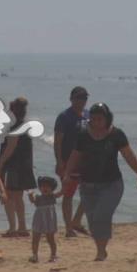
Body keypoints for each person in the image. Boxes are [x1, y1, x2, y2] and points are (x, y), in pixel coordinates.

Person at [64, 103, 137, 261]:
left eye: (100, 119)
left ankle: (101, 251)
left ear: (107, 119)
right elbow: (75, 156)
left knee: (102, 215)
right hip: (87, 185)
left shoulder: (116, 134)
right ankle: (101, 248)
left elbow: (128, 155)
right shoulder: (83, 135)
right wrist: (67, 174)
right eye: (93, 119)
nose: (96, 122)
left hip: (111, 184)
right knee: (93, 220)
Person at [0, 97, 37, 237]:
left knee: (9, 195)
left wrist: (0, 163)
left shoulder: (13, 126)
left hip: (13, 165)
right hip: (24, 164)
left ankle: (13, 228)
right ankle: (22, 227)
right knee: (18, 197)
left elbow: (11, 147)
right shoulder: (24, 125)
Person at [54, 86, 90, 237]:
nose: (81, 101)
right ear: (71, 99)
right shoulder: (64, 116)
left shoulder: (88, 115)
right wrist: (59, 161)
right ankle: (69, 228)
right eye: (78, 98)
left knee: (90, 193)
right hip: (68, 161)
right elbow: (58, 141)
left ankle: (77, 220)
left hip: (86, 161)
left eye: (84, 98)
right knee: (68, 194)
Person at [28, 176, 62, 263]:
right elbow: (32, 200)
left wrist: (65, 184)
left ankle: (53, 255)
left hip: (49, 219)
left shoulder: (52, 196)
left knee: (50, 238)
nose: (45, 188)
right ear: (39, 188)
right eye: (42, 186)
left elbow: (61, 193)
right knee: (35, 237)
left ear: (52, 188)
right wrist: (30, 194)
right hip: (39, 218)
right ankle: (35, 255)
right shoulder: (38, 197)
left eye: (47, 186)